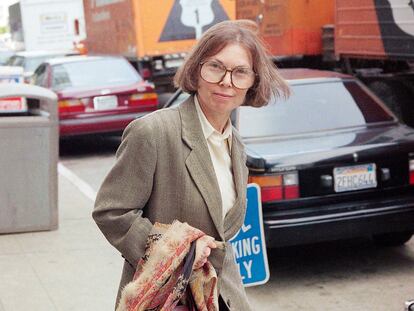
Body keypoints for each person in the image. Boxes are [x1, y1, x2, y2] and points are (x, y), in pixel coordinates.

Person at [92, 19, 290, 310]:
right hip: (167, 298)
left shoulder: (235, 144)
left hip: (222, 295)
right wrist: (179, 251)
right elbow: (112, 212)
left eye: (240, 72)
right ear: (196, 71)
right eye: (216, 67)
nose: (226, 81)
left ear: (252, 82)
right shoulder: (154, 132)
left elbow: (223, 231)